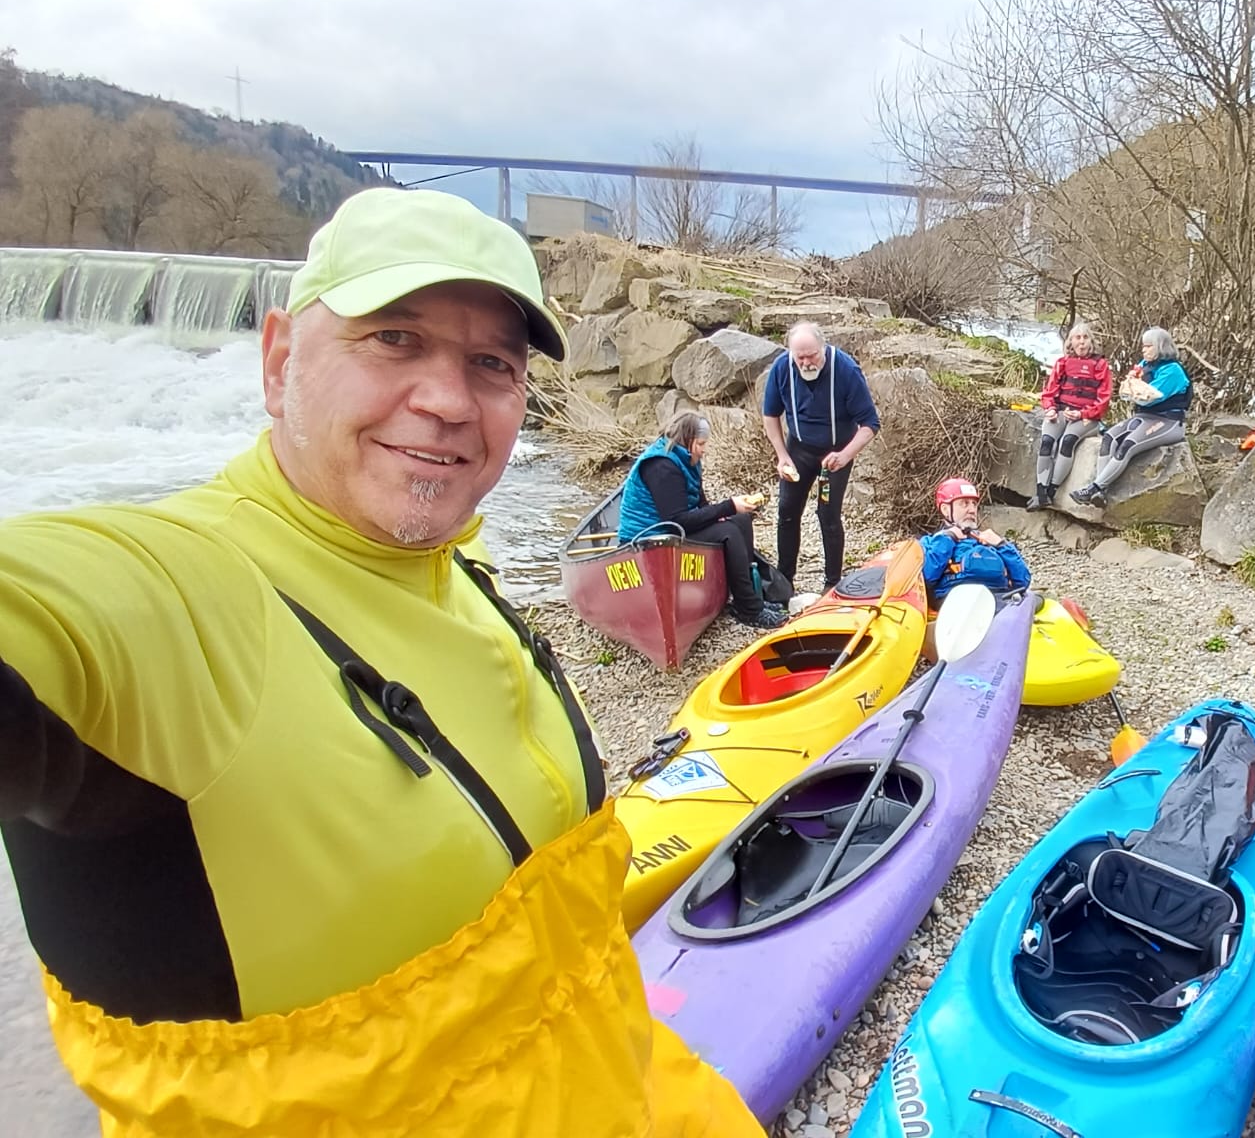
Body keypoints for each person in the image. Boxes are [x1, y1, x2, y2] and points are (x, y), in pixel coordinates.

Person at [0, 188, 759, 1137]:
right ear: (279, 361)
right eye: (393, 339)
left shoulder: (456, 570)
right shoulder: (170, 595)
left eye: (492, 363)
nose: (447, 400)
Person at [617, 408, 789, 629]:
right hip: (649, 535)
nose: (704, 450)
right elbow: (677, 520)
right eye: (701, 444)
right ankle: (750, 610)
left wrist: (727, 512)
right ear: (686, 440)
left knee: (741, 521)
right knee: (729, 532)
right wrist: (728, 507)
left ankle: (749, 596)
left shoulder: (687, 458)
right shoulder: (661, 465)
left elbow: (698, 502)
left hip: (672, 525)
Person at [760, 321, 881, 594]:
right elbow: (770, 416)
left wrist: (846, 454)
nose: (806, 363)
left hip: (836, 453)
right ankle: (785, 578)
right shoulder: (782, 368)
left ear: (823, 348)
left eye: (811, 355)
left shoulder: (846, 370)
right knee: (787, 511)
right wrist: (781, 456)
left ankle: (832, 582)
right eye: (799, 357)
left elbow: (870, 424)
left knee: (828, 514)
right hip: (799, 449)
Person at [1069, 326, 1190, 506]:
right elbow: (1128, 390)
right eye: (1143, 346)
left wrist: (1132, 387)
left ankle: (1094, 488)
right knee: (1110, 437)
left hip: (1168, 421)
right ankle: (1100, 492)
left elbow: (1148, 397)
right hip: (1144, 417)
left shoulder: (1172, 371)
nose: (1144, 350)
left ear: (1160, 346)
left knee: (1128, 445)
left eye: (1149, 346)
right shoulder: (1144, 365)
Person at [1027, 321, 1115, 510]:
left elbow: (1104, 400)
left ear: (1091, 341)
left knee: (1067, 442)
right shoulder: (1062, 363)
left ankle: (1051, 491)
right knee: (1047, 442)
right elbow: (1049, 392)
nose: (1081, 342)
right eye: (1077, 338)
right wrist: (1050, 408)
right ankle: (1041, 493)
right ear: (1070, 342)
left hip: (1086, 417)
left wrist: (1083, 412)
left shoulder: (1100, 365)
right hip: (1061, 411)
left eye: (1085, 338)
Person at [921, 478, 1032, 601]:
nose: (972, 510)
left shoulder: (991, 542)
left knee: (1032, 599)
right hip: (957, 601)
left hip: (999, 598)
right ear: (945, 510)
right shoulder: (931, 542)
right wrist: (948, 538)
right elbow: (926, 578)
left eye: (974, 504)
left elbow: (1023, 582)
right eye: (964, 503)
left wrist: (1002, 545)